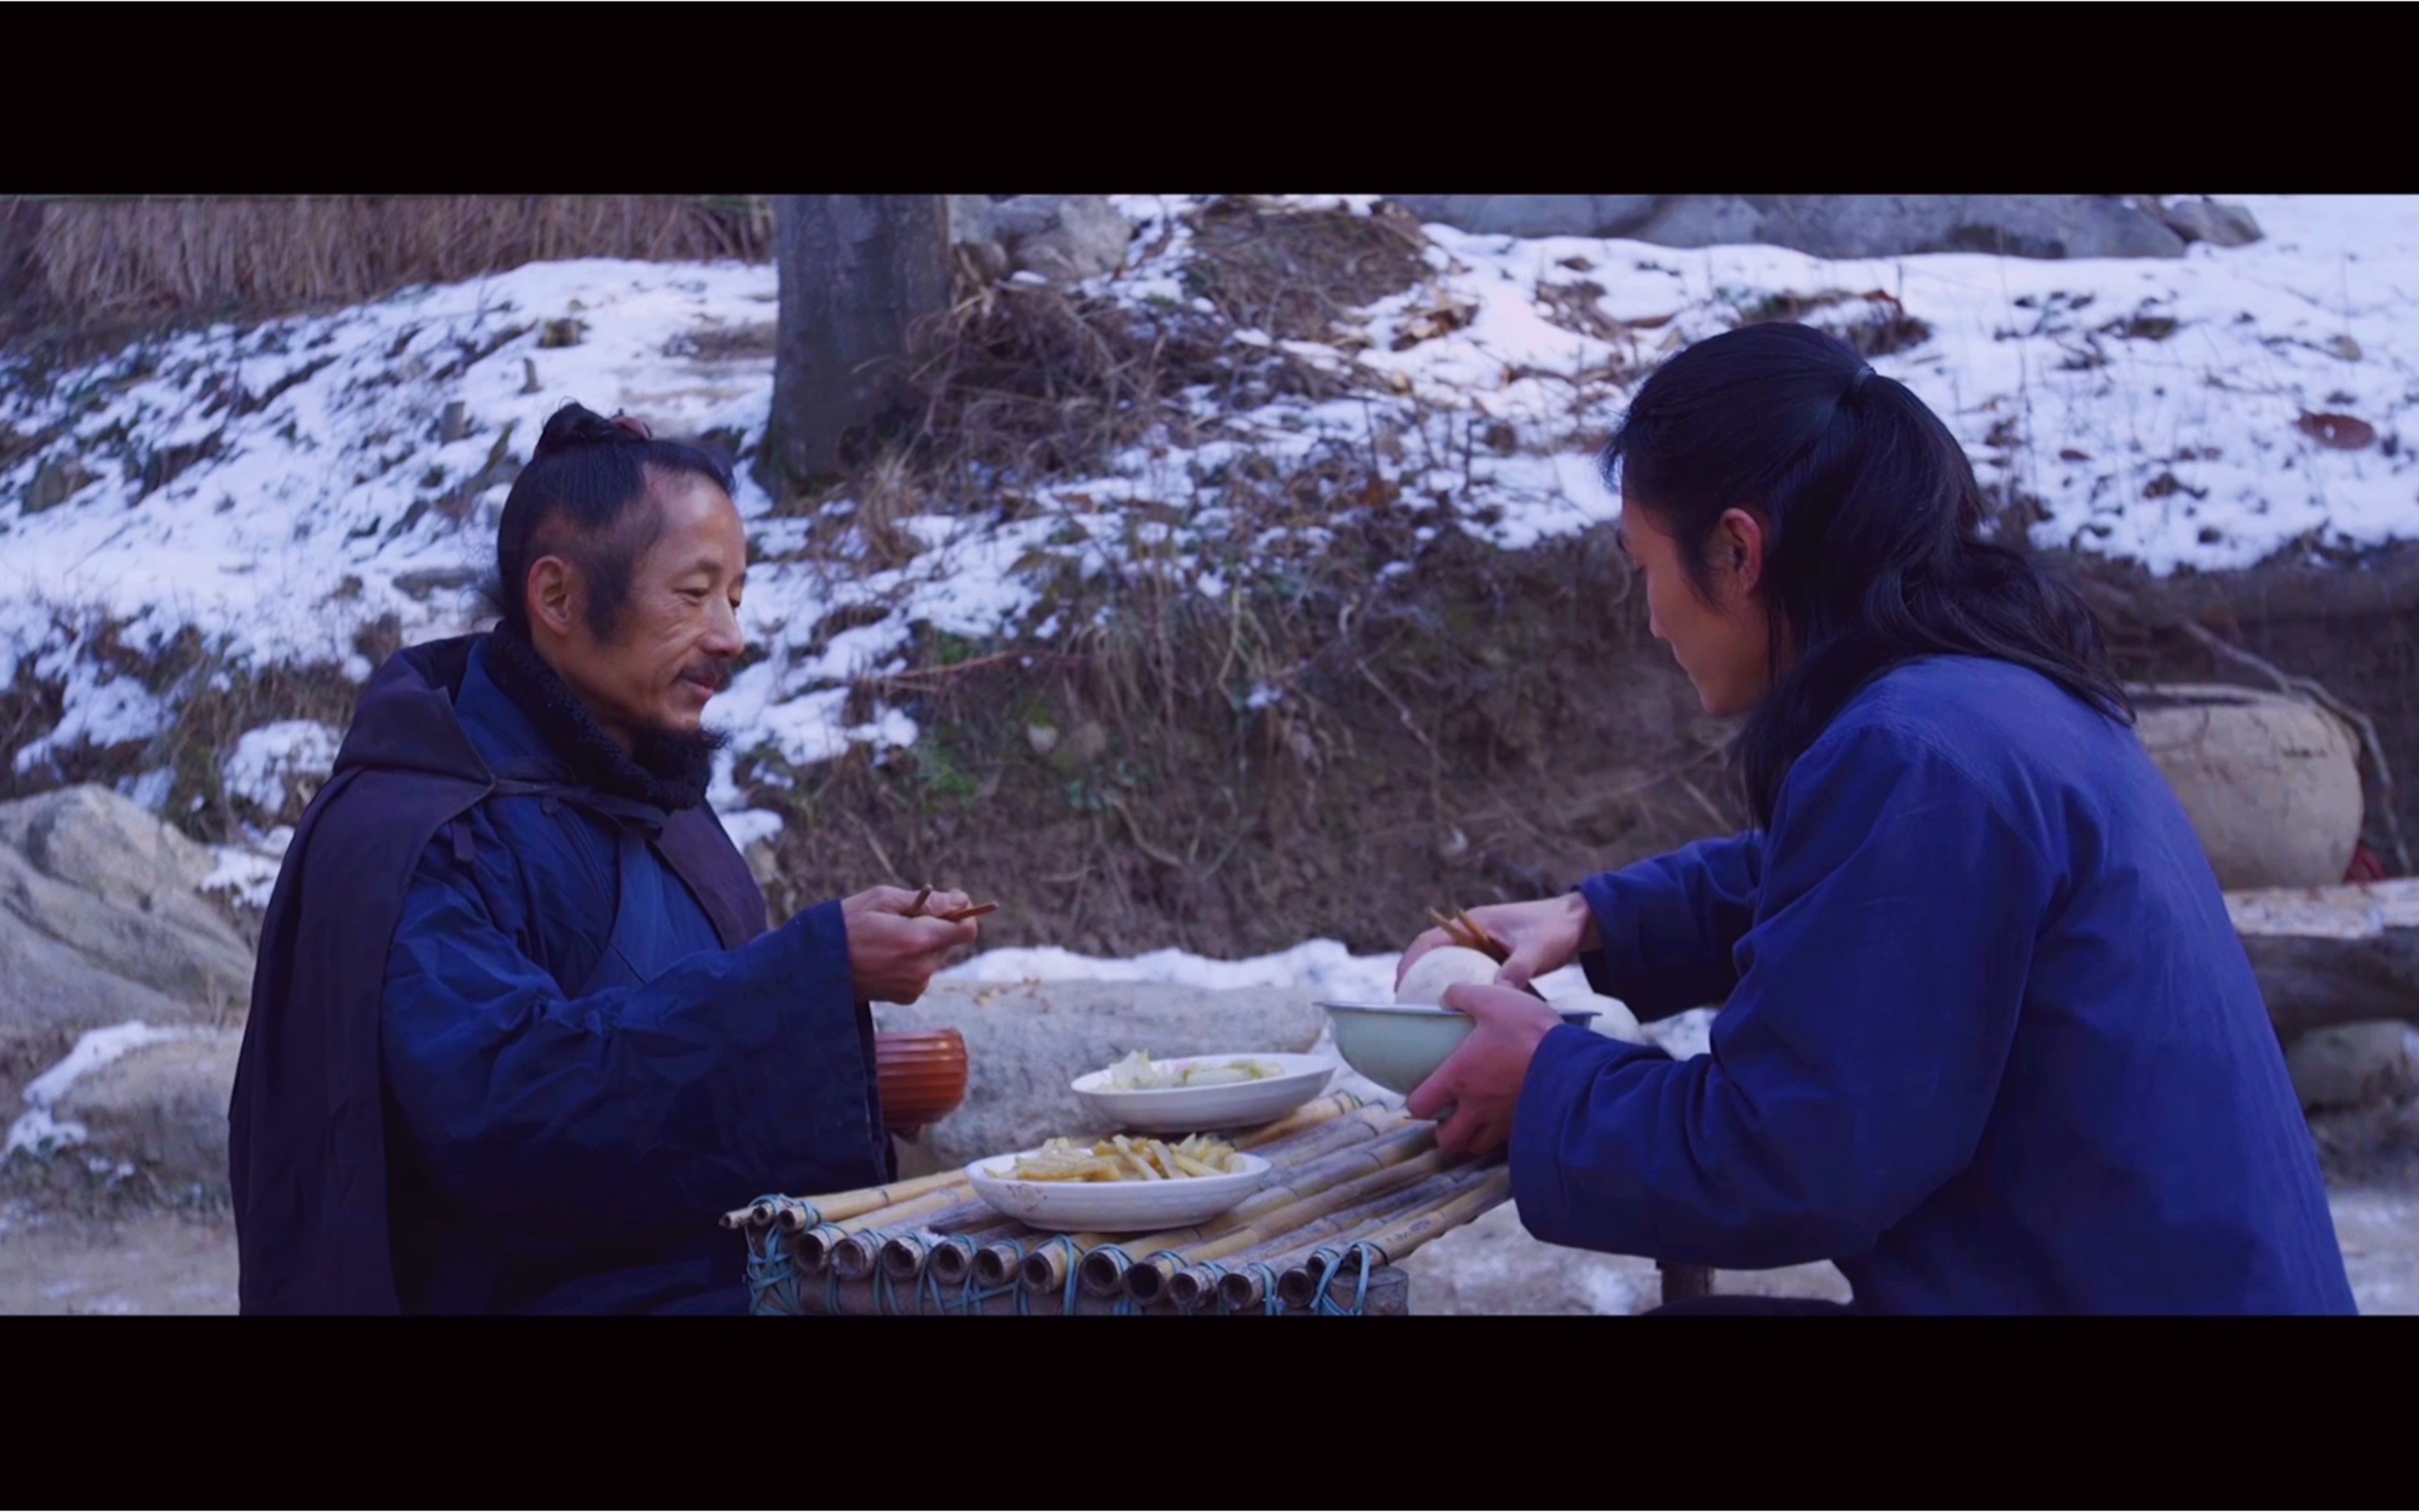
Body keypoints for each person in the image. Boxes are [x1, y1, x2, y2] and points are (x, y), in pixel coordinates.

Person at [1395, 323, 2359, 1316]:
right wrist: (1597, 917)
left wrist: (1550, 1079)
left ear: (1735, 551)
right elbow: (1843, 886)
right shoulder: (1993, 702)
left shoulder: (1916, 753)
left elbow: (1786, 1156)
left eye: (1642, 566)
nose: (1649, 618)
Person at [228, 403, 982, 1315]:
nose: (732, 637)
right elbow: (505, 1108)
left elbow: (682, 1032)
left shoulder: (649, 790)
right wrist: (809, 974)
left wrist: (826, 1021)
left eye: (735, 598)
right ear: (558, 597)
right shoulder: (420, 829)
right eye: (694, 592)